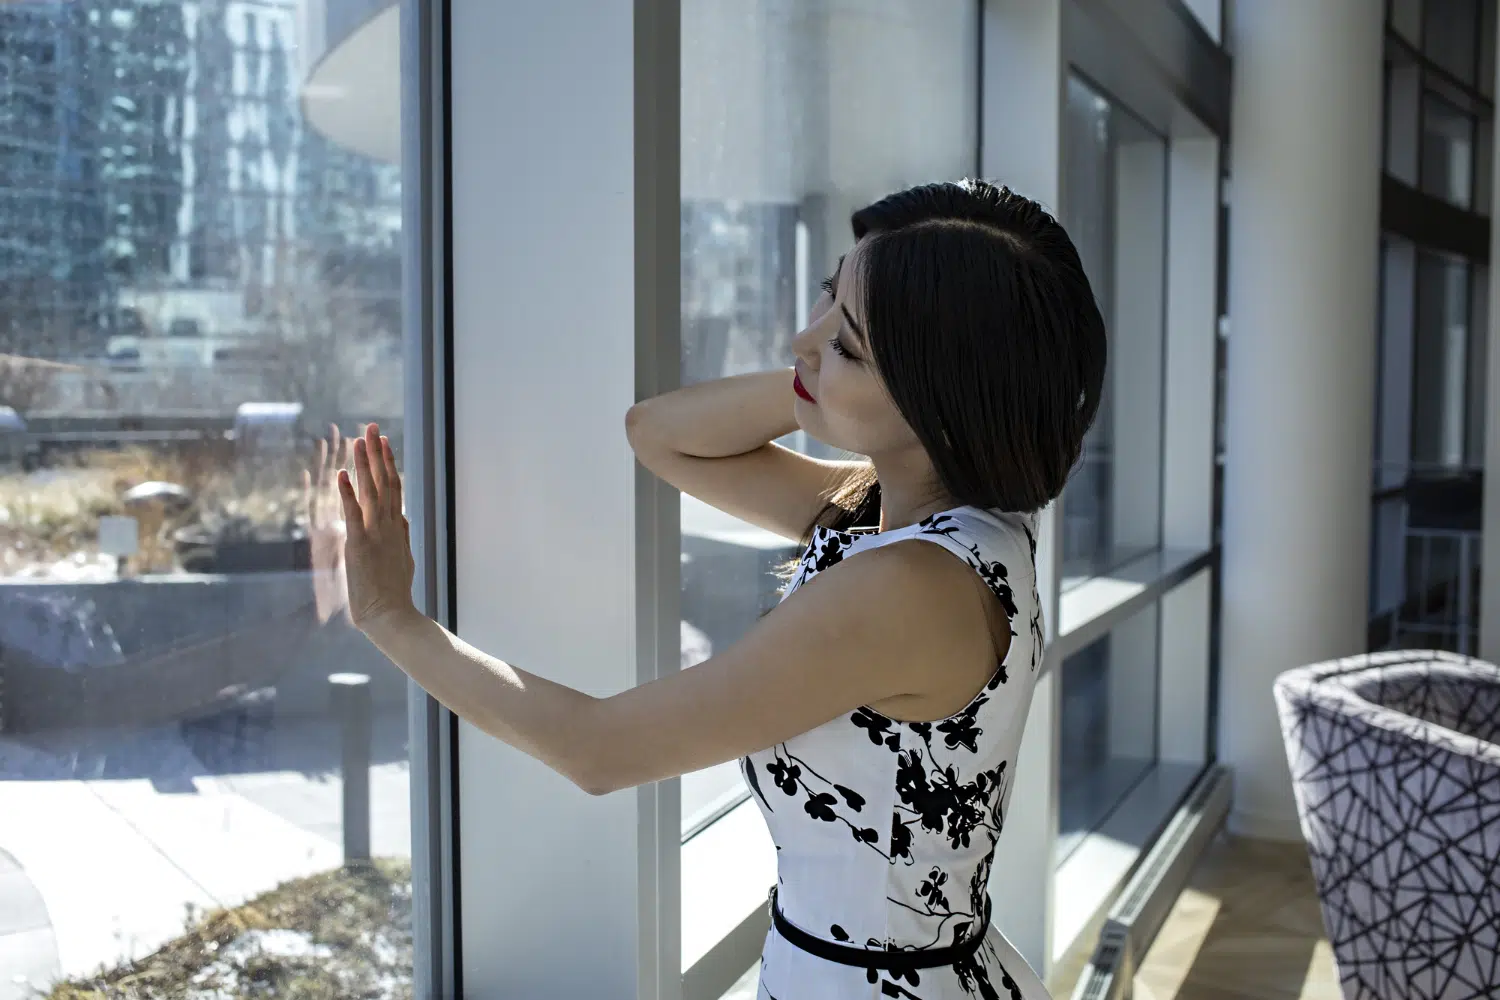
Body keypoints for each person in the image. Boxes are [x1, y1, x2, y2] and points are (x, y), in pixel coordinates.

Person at [314, 179, 1106, 1000]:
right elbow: (658, 436)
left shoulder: (904, 587)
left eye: (849, 345)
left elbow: (600, 749)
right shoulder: (956, 523)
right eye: (826, 301)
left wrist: (390, 619)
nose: (801, 339)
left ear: (935, 397)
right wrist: (829, 377)